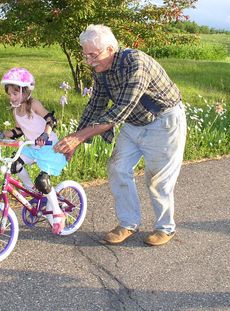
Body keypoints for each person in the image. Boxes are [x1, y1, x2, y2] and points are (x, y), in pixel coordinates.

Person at [54, 24, 187, 246]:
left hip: (164, 122)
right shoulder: (101, 72)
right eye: (85, 55)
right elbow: (95, 105)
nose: (88, 61)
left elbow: (120, 110)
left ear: (109, 49)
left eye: (93, 55)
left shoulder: (136, 63)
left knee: (158, 180)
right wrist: (75, 140)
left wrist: (79, 137)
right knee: (117, 167)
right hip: (134, 123)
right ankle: (128, 224)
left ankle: (165, 228)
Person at [0, 67, 68, 234]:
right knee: (15, 165)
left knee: (43, 181)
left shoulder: (34, 104)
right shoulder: (16, 111)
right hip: (32, 147)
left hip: (49, 147)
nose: (12, 97)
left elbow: (50, 119)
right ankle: (33, 192)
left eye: (15, 93)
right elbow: (19, 131)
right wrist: (3, 135)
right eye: (10, 94)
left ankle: (57, 212)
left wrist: (45, 134)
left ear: (25, 91)